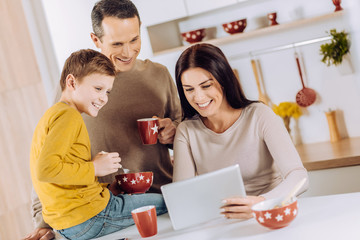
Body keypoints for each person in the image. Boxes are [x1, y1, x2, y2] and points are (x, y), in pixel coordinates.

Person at [23, 0, 181, 239]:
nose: (128, 52)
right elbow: (48, 158)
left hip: (161, 203)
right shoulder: (76, 91)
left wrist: (174, 132)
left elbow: (187, 136)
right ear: (96, 40)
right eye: (117, 43)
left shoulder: (159, 75)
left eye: (134, 40)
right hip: (102, 214)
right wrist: (43, 221)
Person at [173, 43, 309, 219]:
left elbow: (299, 176)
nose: (198, 97)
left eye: (206, 86)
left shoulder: (259, 115)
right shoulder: (186, 131)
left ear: (223, 80)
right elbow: (181, 198)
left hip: (268, 214)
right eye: (189, 89)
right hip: (222, 222)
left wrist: (260, 203)